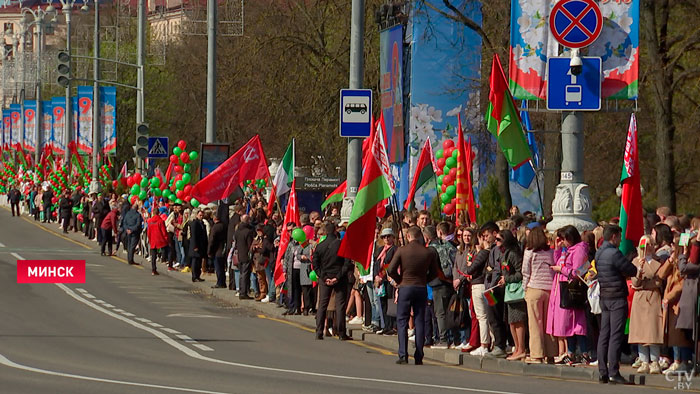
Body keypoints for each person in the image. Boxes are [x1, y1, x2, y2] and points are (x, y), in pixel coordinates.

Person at [387, 226, 441, 365]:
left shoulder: (402, 250)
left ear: (409, 237)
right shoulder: (427, 252)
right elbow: (435, 272)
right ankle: (419, 355)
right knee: (419, 320)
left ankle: (403, 354)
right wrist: (425, 279)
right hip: (421, 287)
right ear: (419, 236)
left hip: (405, 286)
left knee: (402, 321)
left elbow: (391, 269)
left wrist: (399, 280)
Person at [595, 224, 637, 384]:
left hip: (604, 296)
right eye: (619, 237)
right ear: (613, 236)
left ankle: (602, 371)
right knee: (615, 335)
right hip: (617, 297)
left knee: (604, 334)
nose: (620, 240)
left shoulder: (599, 253)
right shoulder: (614, 253)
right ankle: (613, 371)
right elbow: (631, 269)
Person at [547, 225, 589, 365]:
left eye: (564, 239)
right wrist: (557, 249)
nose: (562, 242)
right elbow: (558, 261)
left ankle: (584, 352)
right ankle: (570, 352)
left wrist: (561, 269)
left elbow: (577, 272)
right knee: (567, 325)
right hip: (563, 289)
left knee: (576, 324)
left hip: (572, 289)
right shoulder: (567, 250)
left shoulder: (579, 250)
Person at [629, 234, 667, 374]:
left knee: (653, 331)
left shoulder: (659, 261)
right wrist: (639, 270)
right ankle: (644, 361)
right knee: (640, 332)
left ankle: (655, 361)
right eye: (645, 245)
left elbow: (658, 281)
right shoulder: (635, 261)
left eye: (651, 244)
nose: (648, 247)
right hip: (640, 299)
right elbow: (635, 283)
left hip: (653, 298)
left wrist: (644, 283)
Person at [522, 226, 557, 364]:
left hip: (534, 288)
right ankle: (551, 353)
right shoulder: (551, 252)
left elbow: (526, 272)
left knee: (535, 323)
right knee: (549, 324)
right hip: (549, 289)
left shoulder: (529, 252)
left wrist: (525, 289)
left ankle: (537, 354)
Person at [314, 222, 353, 341]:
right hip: (339, 278)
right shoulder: (341, 245)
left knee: (322, 304)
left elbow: (315, 264)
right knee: (340, 305)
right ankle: (341, 333)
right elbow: (347, 263)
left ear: (325, 232)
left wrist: (324, 277)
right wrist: (338, 277)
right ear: (335, 231)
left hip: (325, 277)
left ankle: (319, 331)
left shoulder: (320, 246)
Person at [498, 230, 528, 361]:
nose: (496, 242)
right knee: (511, 322)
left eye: (499, 239)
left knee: (518, 321)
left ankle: (521, 348)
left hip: (516, 291)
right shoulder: (505, 254)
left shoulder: (514, 254)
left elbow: (520, 273)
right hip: (509, 291)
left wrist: (507, 279)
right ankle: (517, 348)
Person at [234, 214, 255, 299]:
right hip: (246, 254)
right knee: (245, 274)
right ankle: (243, 292)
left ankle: (241, 291)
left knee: (242, 273)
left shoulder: (237, 231)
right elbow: (250, 244)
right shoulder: (248, 231)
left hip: (239, 254)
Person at [251, 224, 272, 300]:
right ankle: (262, 292)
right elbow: (251, 248)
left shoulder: (265, 239)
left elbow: (264, 249)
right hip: (257, 261)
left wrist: (259, 247)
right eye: (257, 231)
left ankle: (268, 293)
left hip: (264, 260)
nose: (259, 232)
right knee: (260, 278)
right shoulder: (256, 239)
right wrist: (255, 247)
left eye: (260, 231)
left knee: (267, 278)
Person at [207, 211, 228, 288]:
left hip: (217, 250)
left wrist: (209, 251)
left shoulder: (215, 227)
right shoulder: (224, 226)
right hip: (223, 249)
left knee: (218, 267)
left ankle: (220, 282)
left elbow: (212, 240)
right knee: (222, 267)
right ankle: (223, 282)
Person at [146, 209, 169, 276]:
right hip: (160, 240)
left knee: (153, 256)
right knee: (166, 250)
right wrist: (167, 239)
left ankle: (153, 269)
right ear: (159, 213)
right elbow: (164, 232)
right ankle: (164, 260)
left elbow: (148, 232)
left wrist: (150, 239)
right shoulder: (161, 221)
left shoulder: (150, 221)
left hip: (153, 240)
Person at [188, 209, 208, 282]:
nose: (201, 217)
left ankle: (198, 276)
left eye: (202, 215)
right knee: (195, 261)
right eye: (200, 215)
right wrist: (195, 246)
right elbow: (194, 236)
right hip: (196, 246)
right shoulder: (195, 223)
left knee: (199, 261)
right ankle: (194, 276)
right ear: (196, 215)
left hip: (201, 245)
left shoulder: (202, 223)